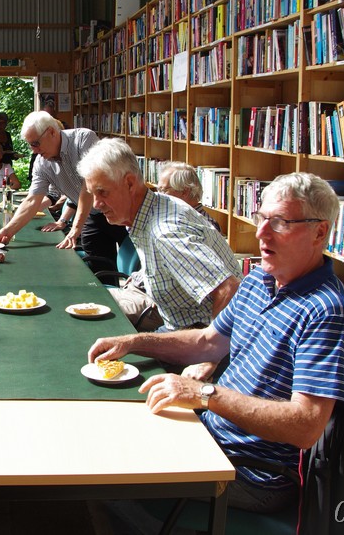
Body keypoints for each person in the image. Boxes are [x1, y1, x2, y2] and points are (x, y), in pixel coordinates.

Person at [88, 172, 344, 521]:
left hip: (253, 472)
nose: (261, 233)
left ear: (319, 232)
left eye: (280, 223)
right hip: (212, 434)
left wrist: (204, 394)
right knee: (104, 437)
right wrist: (133, 342)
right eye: (261, 218)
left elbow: (305, 425)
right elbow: (207, 342)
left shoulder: (328, 311)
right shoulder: (260, 279)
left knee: (109, 474)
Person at [77, 139, 241, 380]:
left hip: (211, 351)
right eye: (93, 194)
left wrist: (209, 357)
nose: (96, 204)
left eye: (103, 192)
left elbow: (229, 289)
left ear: (130, 183)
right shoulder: (152, 208)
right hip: (178, 330)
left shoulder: (165, 232)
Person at [0, 111, 126, 273]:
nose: (33, 150)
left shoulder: (84, 139)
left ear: (51, 132)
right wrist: (8, 230)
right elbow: (32, 201)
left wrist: (75, 228)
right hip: (92, 216)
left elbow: (89, 187)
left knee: (139, 262)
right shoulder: (41, 163)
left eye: (35, 143)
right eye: (30, 145)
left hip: (120, 208)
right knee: (100, 272)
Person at [157, 161, 223, 232]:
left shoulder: (206, 226)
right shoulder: (172, 214)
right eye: (158, 190)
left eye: (163, 190)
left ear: (184, 191)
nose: (159, 195)